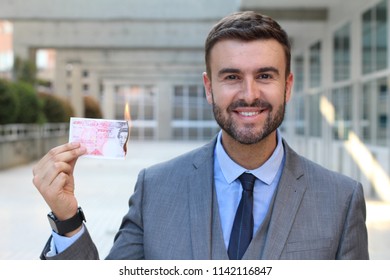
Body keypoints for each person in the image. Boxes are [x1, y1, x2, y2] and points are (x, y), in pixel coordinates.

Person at [32, 11, 369, 260]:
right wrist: (68, 221)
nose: (249, 94)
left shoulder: (341, 200)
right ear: (209, 88)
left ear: (288, 85)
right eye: (232, 77)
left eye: (265, 75)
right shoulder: (155, 187)